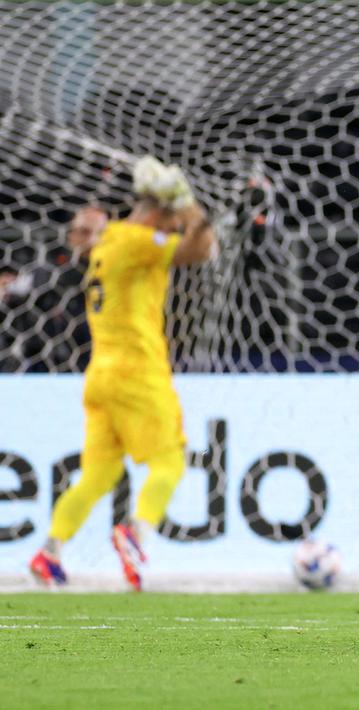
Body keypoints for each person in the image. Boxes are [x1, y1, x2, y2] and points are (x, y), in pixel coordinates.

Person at [28, 156, 216, 591]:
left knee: (99, 473)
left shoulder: (109, 240)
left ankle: (49, 552)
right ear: (159, 213)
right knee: (170, 461)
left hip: (100, 374)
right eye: (171, 221)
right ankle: (136, 532)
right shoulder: (136, 240)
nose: (175, 228)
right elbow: (202, 248)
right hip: (137, 370)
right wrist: (187, 203)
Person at [2, 205, 108, 372]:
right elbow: (17, 294)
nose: (92, 240)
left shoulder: (115, 276)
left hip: (101, 362)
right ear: (71, 234)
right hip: (48, 365)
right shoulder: (49, 270)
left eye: (101, 234)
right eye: (84, 232)